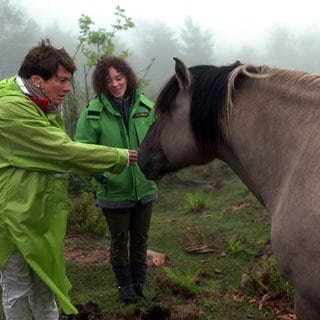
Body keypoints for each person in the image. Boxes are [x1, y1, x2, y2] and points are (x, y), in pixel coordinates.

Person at [0, 39, 137, 320]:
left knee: (47, 284)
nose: (67, 88)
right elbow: (61, 151)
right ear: (37, 79)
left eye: (69, 81)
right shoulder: (11, 110)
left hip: (40, 215)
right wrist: (119, 157)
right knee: (17, 288)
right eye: (61, 81)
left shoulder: (41, 102)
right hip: (13, 218)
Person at [74, 55, 157, 303]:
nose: (115, 84)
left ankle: (140, 284)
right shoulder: (92, 114)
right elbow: (82, 153)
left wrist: (154, 172)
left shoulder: (147, 108)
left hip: (145, 188)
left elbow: (157, 145)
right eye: (108, 80)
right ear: (102, 84)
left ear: (127, 77)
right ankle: (125, 288)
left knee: (141, 240)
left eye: (118, 78)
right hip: (114, 192)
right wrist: (102, 177)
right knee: (120, 241)